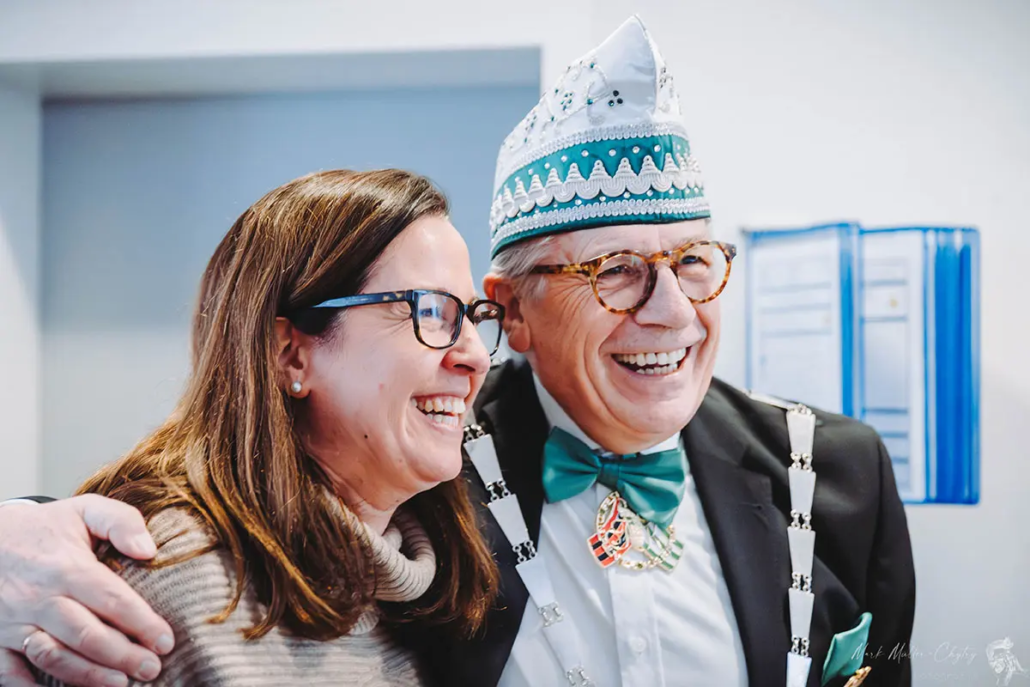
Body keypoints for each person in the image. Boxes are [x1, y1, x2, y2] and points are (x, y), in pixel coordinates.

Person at [0, 16, 914, 687]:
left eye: (695, 262)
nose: (675, 313)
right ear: (514, 310)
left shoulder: (834, 473)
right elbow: (207, 512)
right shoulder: (429, 464)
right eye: (618, 272)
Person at [1, 168, 505, 686]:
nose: (475, 357)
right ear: (290, 354)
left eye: (473, 315)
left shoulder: (428, 595)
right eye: (431, 310)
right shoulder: (168, 585)